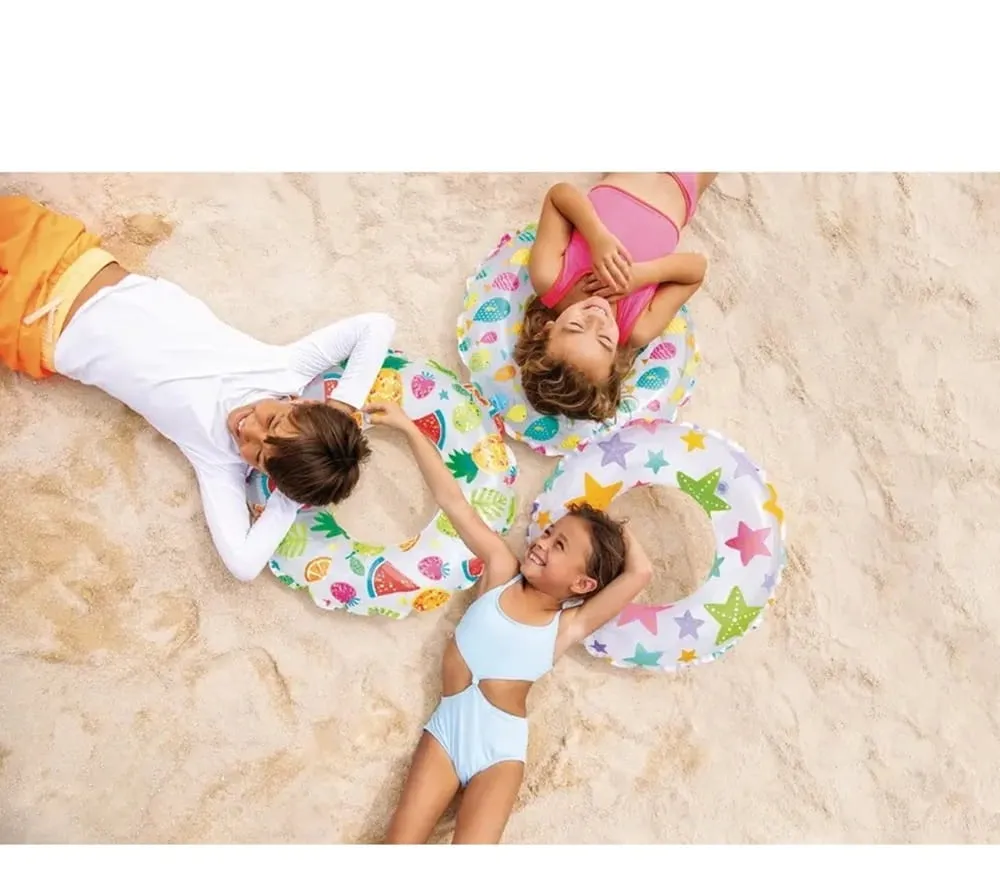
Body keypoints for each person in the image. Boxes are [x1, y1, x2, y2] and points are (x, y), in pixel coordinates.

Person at [0, 194, 394, 581]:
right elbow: (376, 326)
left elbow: (243, 564)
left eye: (258, 455)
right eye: (272, 422)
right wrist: (344, 407)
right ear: (299, 403)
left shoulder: (218, 461)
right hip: (63, 257)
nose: (247, 430)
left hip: (27, 328)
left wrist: (288, 501)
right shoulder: (285, 369)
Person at [365, 399, 654, 844]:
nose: (542, 543)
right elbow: (452, 501)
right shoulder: (500, 570)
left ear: (581, 583)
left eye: (559, 546)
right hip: (446, 731)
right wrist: (407, 427)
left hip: (499, 755)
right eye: (549, 533)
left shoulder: (567, 626)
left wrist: (617, 526)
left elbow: (641, 573)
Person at [517, 172, 717, 422]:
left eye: (576, 326)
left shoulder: (550, 278)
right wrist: (642, 275)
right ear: (616, 359)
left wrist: (597, 237)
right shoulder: (638, 327)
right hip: (683, 188)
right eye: (604, 340)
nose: (596, 319)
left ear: (547, 330)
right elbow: (697, 268)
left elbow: (559, 195)